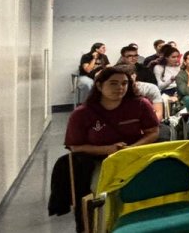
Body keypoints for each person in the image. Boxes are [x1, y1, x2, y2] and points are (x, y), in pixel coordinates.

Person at [64, 66, 160, 232]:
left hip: (136, 155)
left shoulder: (140, 104)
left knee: (151, 188)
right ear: (100, 86)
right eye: (113, 83)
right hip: (101, 160)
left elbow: (153, 132)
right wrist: (108, 149)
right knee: (102, 192)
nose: (120, 88)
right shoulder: (82, 113)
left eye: (124, 83)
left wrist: (132, 148)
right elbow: (75, 146)